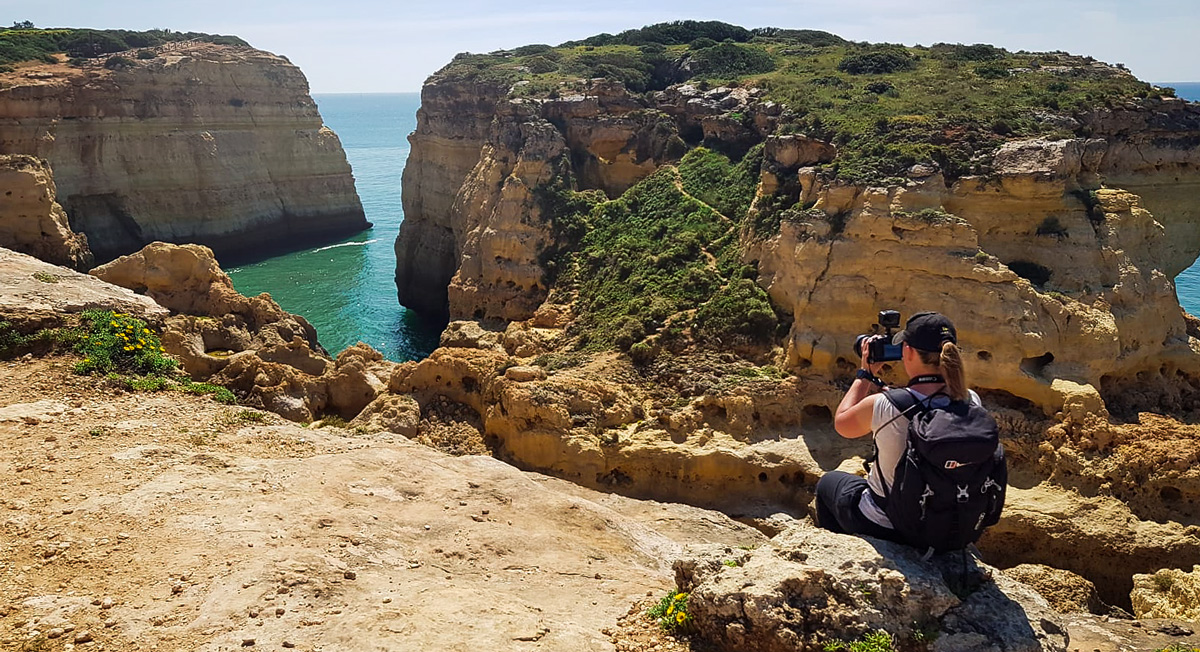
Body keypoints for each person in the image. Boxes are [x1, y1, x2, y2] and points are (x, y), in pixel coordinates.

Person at [814, 311, 981, 542]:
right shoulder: (971, 400)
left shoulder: (886, 406)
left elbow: (842, 424)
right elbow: (931, 401)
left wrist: (865, 374)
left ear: (908, 352)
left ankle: (838, 549)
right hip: (948, 524)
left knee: (827, 484)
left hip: (889, 524)